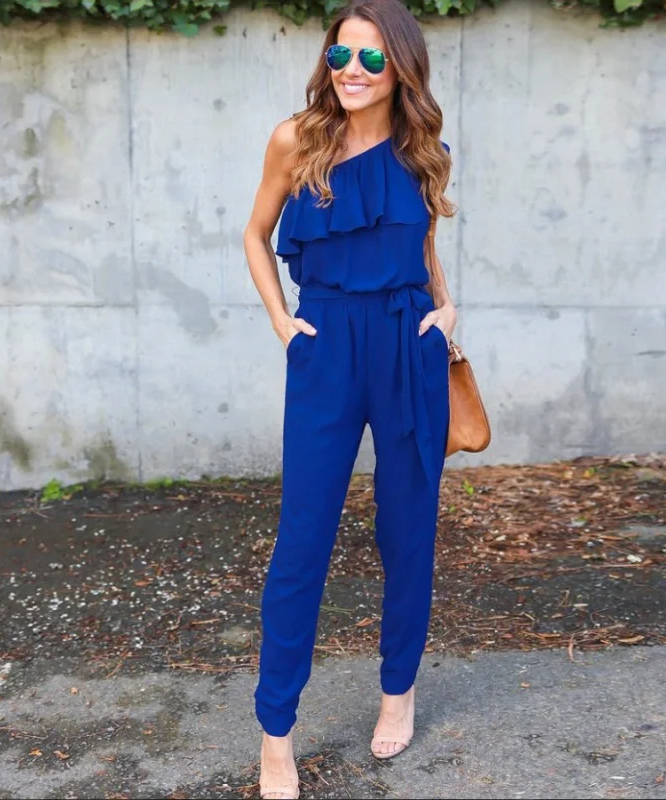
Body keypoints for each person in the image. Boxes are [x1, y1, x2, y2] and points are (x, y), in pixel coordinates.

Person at [243, 0, 457, 796]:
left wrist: (445, 309)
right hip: (326, 342)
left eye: (371, 58)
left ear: (400, 67)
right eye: (341, 55)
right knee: (302, 541)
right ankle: (275, 734)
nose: (353, 71)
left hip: (408, 341)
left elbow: (423, 239)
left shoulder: (422, 147)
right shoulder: (295, 140)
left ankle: (398, 689)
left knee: (408, 529)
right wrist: (282, 322)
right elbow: (255, 234)